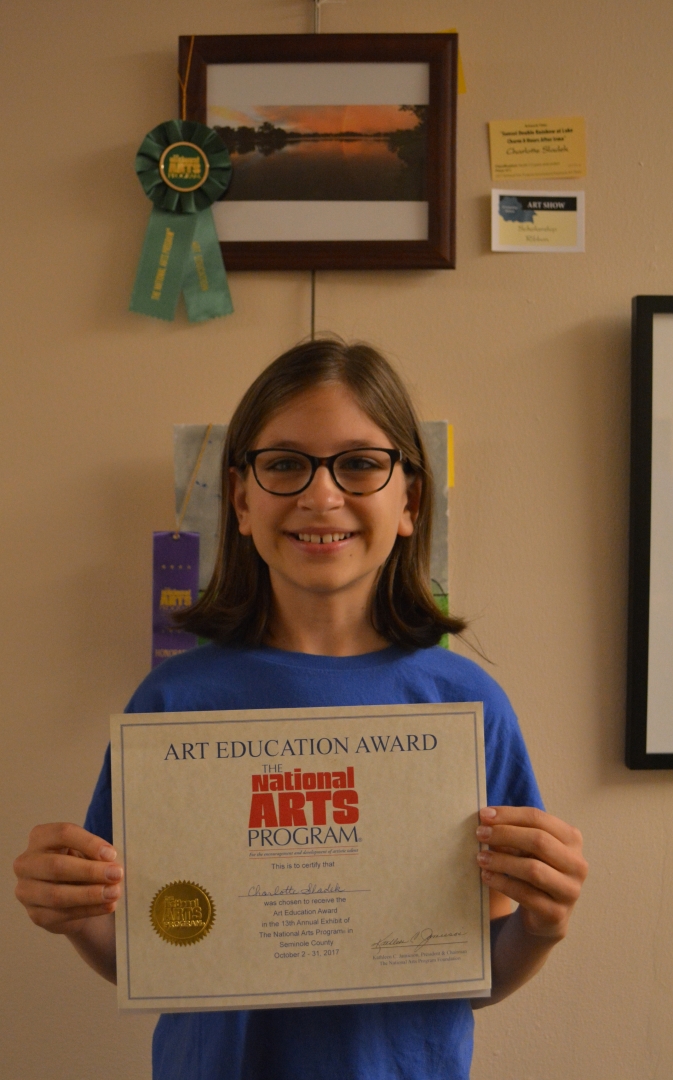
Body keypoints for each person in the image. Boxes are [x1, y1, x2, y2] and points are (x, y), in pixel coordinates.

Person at [14, 338, 588, 1080]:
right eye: (284, 463)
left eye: (359, 463)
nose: (321, 496)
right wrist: (72, 908)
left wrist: (544, 926)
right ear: (242, 501)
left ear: (409, 500)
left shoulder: (464, 703)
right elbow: (152, 953)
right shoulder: (173, 701)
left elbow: (470, 969)